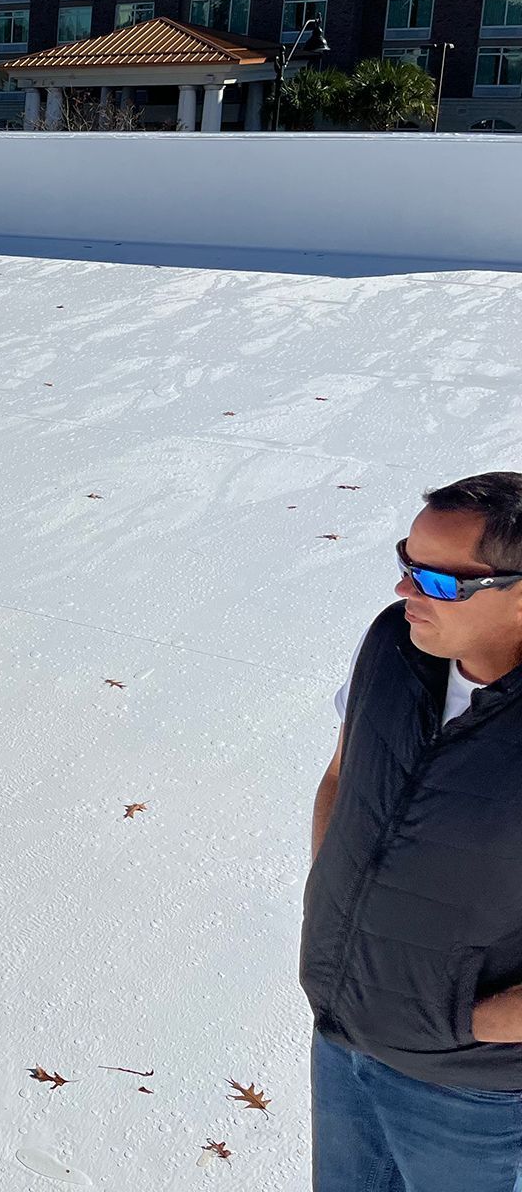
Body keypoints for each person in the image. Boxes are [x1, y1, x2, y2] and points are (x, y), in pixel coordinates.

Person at [303, 472, 522, 1190]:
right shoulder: (395, 646)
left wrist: (460, 1019)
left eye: (437, 577)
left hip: (473, 1094)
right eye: (406, 561)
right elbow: (343, 777)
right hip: (343, 1041)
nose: (405, 591)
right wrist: (330, 917)